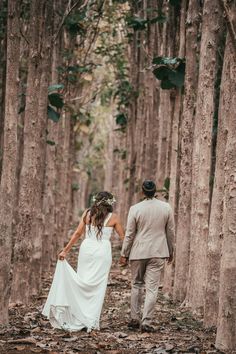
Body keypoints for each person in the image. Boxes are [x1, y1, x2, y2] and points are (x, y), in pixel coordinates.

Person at [42, 191, 124, 332]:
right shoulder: (114, 218)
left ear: (96, 201)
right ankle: (91, 320)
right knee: (98, 286)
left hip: (86, 250)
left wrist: (65, 250)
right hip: (102, 252)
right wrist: (125, 255)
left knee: (83, 281)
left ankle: (79, 316)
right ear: (110, 203)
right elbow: (123, 237)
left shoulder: (87, 214)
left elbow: (77, 233)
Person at [119, 180, 174, 333]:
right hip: (158, 252)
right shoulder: (166, 207)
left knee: (136, 284)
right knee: (152, 288)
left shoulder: (135, 209)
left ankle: (134, 318)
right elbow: (170, 232)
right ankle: (147, 321)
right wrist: (171, 251)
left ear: (142, 192)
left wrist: (124, 253)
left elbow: (130, 234)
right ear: (155, 191)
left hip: (138, 252)